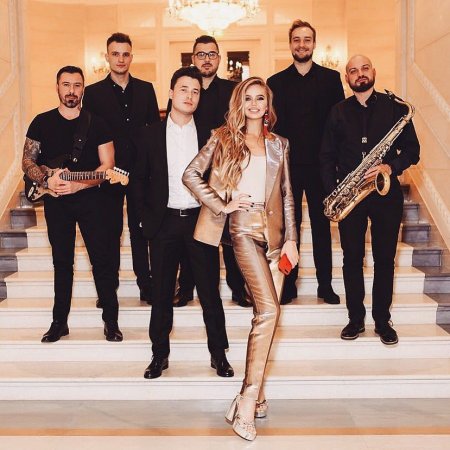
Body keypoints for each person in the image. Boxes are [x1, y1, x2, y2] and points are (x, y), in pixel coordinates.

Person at [183, 77, 298, 441]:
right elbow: (190, 174)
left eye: (260, 98)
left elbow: (288, 193)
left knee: (265, 314)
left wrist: (292, 239)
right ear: (240, 103)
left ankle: (255, 394)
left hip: (275, 237)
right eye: (248, 98)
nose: (254, 104)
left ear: (267, 104)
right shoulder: (223, 138)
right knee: (269, 310)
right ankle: (247, 400)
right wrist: (222, 204)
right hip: (243, 230)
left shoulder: (279, 144)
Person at [132, 66, 233, 380]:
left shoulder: (211, 135)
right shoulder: (149, 134)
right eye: (184, 89)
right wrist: (142, 220)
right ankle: (158, 355)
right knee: (161, 294)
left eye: (196, 91)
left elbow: (221, 178)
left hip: (200, 222)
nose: (190, 96)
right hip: (163, 223)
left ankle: (219, 355)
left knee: (210, 293)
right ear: (171, 93)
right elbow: (138, 182)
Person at [320, 55, 420, 345]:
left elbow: (413, 151)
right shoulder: (338, 111)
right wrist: (335, 191)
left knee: (385, 259)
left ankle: (382, 320)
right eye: (353, 71)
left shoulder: (395, 108)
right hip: (351, 195)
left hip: (385, 193)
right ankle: (355, 319)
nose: (360, 74)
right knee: (352, 258)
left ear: (373, 72)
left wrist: (390, 166)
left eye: (364, 68)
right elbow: (326, 156)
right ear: (347, 78)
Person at [22, 66, 122, 343]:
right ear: (57, 87)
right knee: (62, 262)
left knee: (101, 260)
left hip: (93, 201)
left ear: (83, 89)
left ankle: (111, 321)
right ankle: (59, 323)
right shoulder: (41, 122)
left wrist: (80, 185)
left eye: (77, 85)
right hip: (57, 202)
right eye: (66, 85)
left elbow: (108, 166)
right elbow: (27, 161)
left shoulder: (97, 123)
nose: (71, 91)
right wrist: (47, 180)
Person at [267, 19, 344, 305]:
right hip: (287, 167)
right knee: (290, 228)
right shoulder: (275, 82)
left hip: (322, 166)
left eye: (306, 39)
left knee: (322, 227)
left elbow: (339, 125)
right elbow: (271, 129)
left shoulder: (331, 79)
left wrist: (337, 164)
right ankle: (288, 285)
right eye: (297, 39)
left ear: (313, 43)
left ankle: (325, 285)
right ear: (290, 44)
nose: (301, 44)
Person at [168, 35, 246, 307]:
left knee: (230, 233)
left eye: (212, 54)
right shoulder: (186, 89)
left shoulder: (233, 90)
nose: (207, 59)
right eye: (201, 54)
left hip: (226, 170)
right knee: (194, 232)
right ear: (193, 59)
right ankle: (186, 287)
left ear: (219, 59)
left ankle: (238, 287)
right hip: (194, 172)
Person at [83, 32, 160, 305]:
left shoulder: (146, 89)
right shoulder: (93, 93)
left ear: (131, 57)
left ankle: (146, 286)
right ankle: (109, 288)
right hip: (109, 174)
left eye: (125, 54)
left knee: (141, 231)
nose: (120, 59)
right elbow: (89, 136)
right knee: (109, 231)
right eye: (115, 54)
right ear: (107, 57)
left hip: (140, 173)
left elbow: (155, 131)